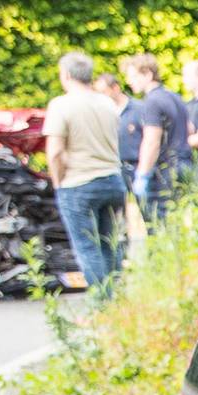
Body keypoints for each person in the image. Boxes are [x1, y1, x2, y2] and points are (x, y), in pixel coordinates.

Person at [43, 53, 128, 290]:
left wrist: (58, 183)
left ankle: (102, 303)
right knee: (110, 244)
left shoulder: (61, 105)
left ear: (67, 75)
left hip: (78, 183)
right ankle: (117, 301)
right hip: (112, 180)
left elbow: (55, 152)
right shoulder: (107, 103)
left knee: (87, 247)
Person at [118, 54, 188, 221]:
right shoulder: (174, 96)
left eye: (133, 76)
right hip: (182, 165)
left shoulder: (152, 101)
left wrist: (142, 174)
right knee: (174, 221)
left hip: (163, 172)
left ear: (148, 74)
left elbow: (151, 141)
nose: (129, 81)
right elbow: (190, 128)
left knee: (157, 225)